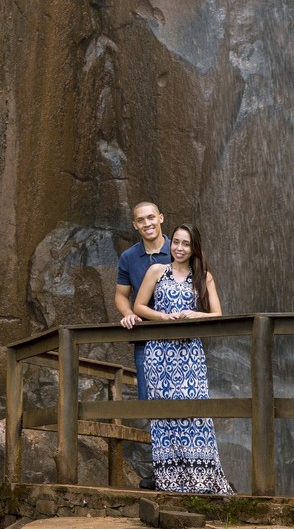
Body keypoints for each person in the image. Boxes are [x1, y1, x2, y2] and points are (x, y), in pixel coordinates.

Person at [133, 223, 234, 493]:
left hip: (189, 353)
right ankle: (170, 479)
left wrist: (195, 315)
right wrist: (162, 317)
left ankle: (201, 478)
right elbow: (139, 306)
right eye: (176, 242)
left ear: (194, 248)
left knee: (194, 410)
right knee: (163, 412)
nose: (179, 248)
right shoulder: (157, 271)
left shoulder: (204, 277)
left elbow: (218, 315)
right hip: (159, 353)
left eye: (185, 244)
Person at [115, 201, 170, 489]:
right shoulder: (129, 257)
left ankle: (189, 465)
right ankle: (162, 471)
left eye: (151, 217)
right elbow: (121, 295)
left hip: (179, 339)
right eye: (141, 220)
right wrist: (129, 314)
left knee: (183, 401)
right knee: (151, 403)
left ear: (161, 218)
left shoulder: (179, 248)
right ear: (134, 225)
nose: (147, 223)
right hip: (146, 340)